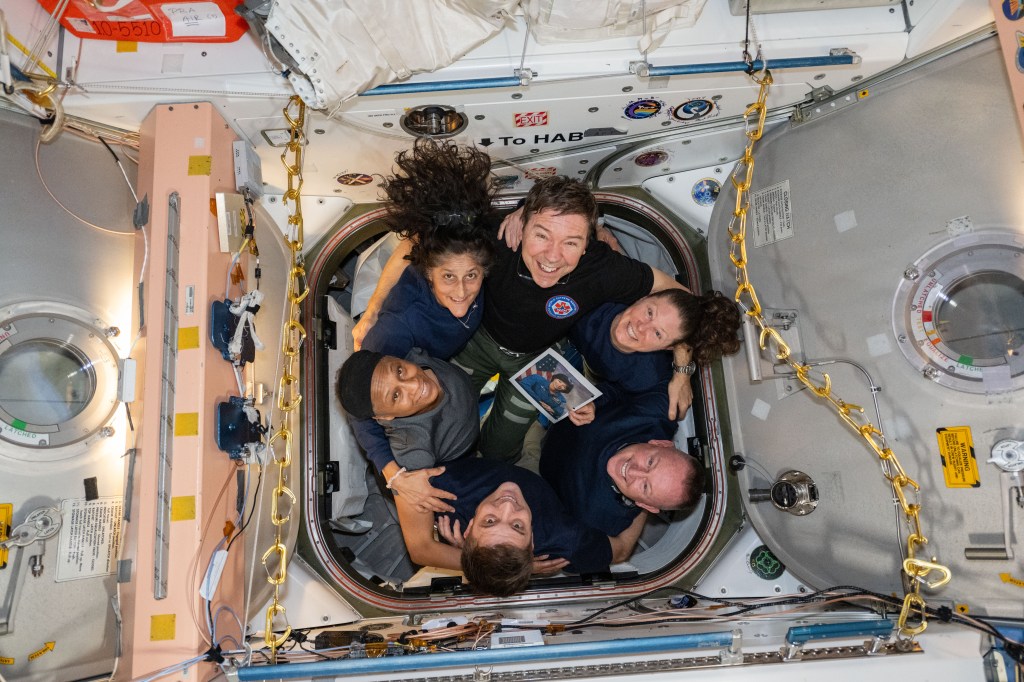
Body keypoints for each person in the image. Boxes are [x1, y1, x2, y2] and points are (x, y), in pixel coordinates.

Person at [355, 175, 691, 463]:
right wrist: (373, 308)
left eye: (571, 242)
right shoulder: (498, 238)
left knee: (500, 450)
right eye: (542, 234)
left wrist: (681, 371)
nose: (553, 256)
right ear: (522, 223)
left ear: (588, 244)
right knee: (446, 423)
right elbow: (418, 242)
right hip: (477, 342)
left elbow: (685, 302)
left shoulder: (603, 269)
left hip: (539, 357)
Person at [350, 140, 497, 512]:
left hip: (456, 355)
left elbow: (417, 242)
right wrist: (393, 475)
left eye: (471, 277)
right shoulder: (397, 328)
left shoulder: (470, 246)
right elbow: (360, 406)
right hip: (439, 359)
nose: (461, 291)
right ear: (426, 271)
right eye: (447, 277)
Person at [393, 457, 649, 597]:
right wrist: (646, 497)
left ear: (469, 530)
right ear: (533, 543)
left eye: (490, 521)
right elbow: (622, 549)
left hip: (475, 459)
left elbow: (419, 550)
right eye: (517, 525)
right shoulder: (563, 538)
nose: (507, 505)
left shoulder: (441, 488)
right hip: (537, 470)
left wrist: (475, 557)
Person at [540, 391, 704, 537]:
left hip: (535, 464)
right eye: (650, 462)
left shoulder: (599, 521)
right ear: (660, 444)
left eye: (645, 487)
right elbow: (619, 388)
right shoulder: (655, 414)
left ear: (645, 505)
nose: (634, 472)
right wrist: (593, 402)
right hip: (555, 406)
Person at [337, 348, 478, 513]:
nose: (414, 384)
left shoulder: (412, 353)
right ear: (385, 416)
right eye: (395, 396)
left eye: (399, 371)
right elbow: (416, 538)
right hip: (466, 452)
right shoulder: (412, 449)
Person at [570, 289, 742, 408]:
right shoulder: (605, 291)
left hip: (587, 369)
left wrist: (593, 403)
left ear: (668, 347)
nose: (641, 327)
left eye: (658, 333)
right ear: (642, 297)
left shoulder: (645, 375)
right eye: (650, 313)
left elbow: (616, 392)